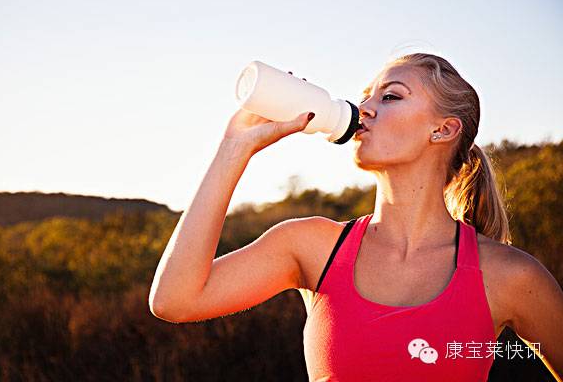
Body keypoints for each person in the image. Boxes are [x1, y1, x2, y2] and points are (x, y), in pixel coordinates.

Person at [148, 53, 563, 381]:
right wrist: (234, 148)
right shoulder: (311, 246)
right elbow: (174, 300)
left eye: (391, 96)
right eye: (366, 96)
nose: (364, 109)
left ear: (443, 130)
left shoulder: (509, 276)